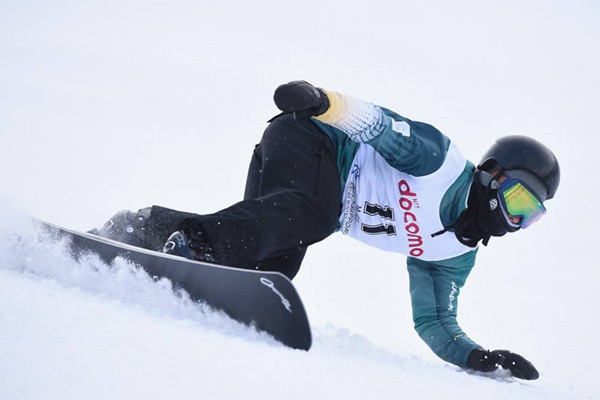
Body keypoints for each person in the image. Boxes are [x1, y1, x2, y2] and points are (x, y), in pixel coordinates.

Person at [91, 81, 560, 380]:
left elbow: (435, 322)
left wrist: (476, 358)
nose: (516, 220)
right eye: (519, 199)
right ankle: (194, 243)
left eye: (531, 215)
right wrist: (323, 102)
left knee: (270, 270)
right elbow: (379, 125)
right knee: (310, 215)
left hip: (306, 192)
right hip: (311, 136)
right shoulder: (439, 163)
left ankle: (144, 228)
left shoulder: (455, 257)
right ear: (491, 174)